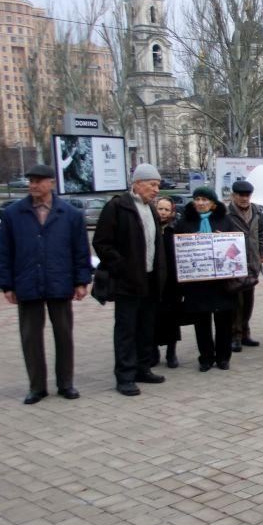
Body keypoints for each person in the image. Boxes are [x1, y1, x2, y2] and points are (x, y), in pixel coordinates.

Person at [0, 164, 91, 404]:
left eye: (39, 180)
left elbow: (80, 251)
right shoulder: (13, 214)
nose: (33, 185)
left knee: (63, 334)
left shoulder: (70, 214)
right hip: (27, 283)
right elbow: (5, 251)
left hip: (59, 282)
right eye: (31, 180)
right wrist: (7, 285)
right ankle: (37, 387)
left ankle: (65, 384)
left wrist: (81, 281)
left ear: (51, 183)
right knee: (30, 337)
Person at [93, 163, 167, 396]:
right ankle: (124, 375)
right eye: (152, 185)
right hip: (127, 282)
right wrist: (123, 266)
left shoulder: (151, 210)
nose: (156, 190)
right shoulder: (117, 207)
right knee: (126, 330)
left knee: (146, 328)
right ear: (137, 183)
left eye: (158, 186)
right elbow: (101, 243)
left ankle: (142, 368)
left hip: (149, 280)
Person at [174, 186, 237, 371]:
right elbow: (177, 250)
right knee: (201, 322)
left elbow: (235, 248)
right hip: (197, 284)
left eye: (205, 200)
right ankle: (206, 358)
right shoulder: (184, 223)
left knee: (224, 321)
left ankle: (223, 357)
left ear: (213, 203)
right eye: (197, 199)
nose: (200, 203)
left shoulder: (225, 221)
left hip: (222, 283)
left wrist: (224, 239)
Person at [226, 179, 263, 353]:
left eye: (247, 195)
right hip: (233, 264)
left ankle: (245, 332)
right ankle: (235, 336)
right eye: (240, 195)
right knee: (237, 301)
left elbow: (262, 235)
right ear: (233, 195)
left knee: (249, 301)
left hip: (252, 263)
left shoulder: (257, 211)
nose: (244, 198)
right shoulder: (226, 212)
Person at [153, 196, 181, 369]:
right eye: (160, 209)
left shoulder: (175, 230)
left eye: (166, 209)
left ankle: (171, 352)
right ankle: (153, 351)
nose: (162, 212)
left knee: (172, 320)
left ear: (172, 212)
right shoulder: (150, 228)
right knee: (153, 319)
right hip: (154, 282)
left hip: (172, 282)